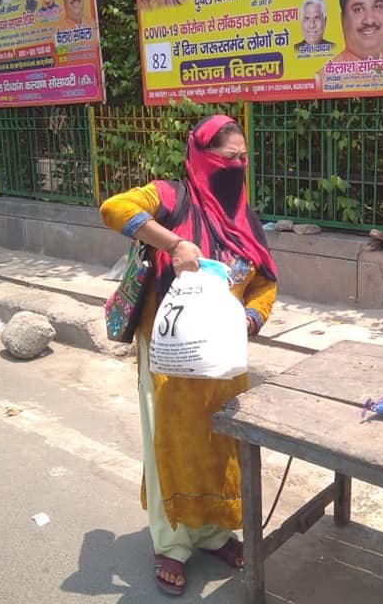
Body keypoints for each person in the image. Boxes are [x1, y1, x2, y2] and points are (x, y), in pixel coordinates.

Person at [99, 115, 277, 597]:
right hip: (168, 356)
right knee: (171, 440)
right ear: (201, 157)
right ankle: (172, 542)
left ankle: (215, 531)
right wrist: (175, 242)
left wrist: (248, 321)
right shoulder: (170, 197)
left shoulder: (245, 216)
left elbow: (264, 283)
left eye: (243, 158)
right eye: (226, 158)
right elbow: (115, 209)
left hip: (223, 356)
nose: (237, 165)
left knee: (220, 442)